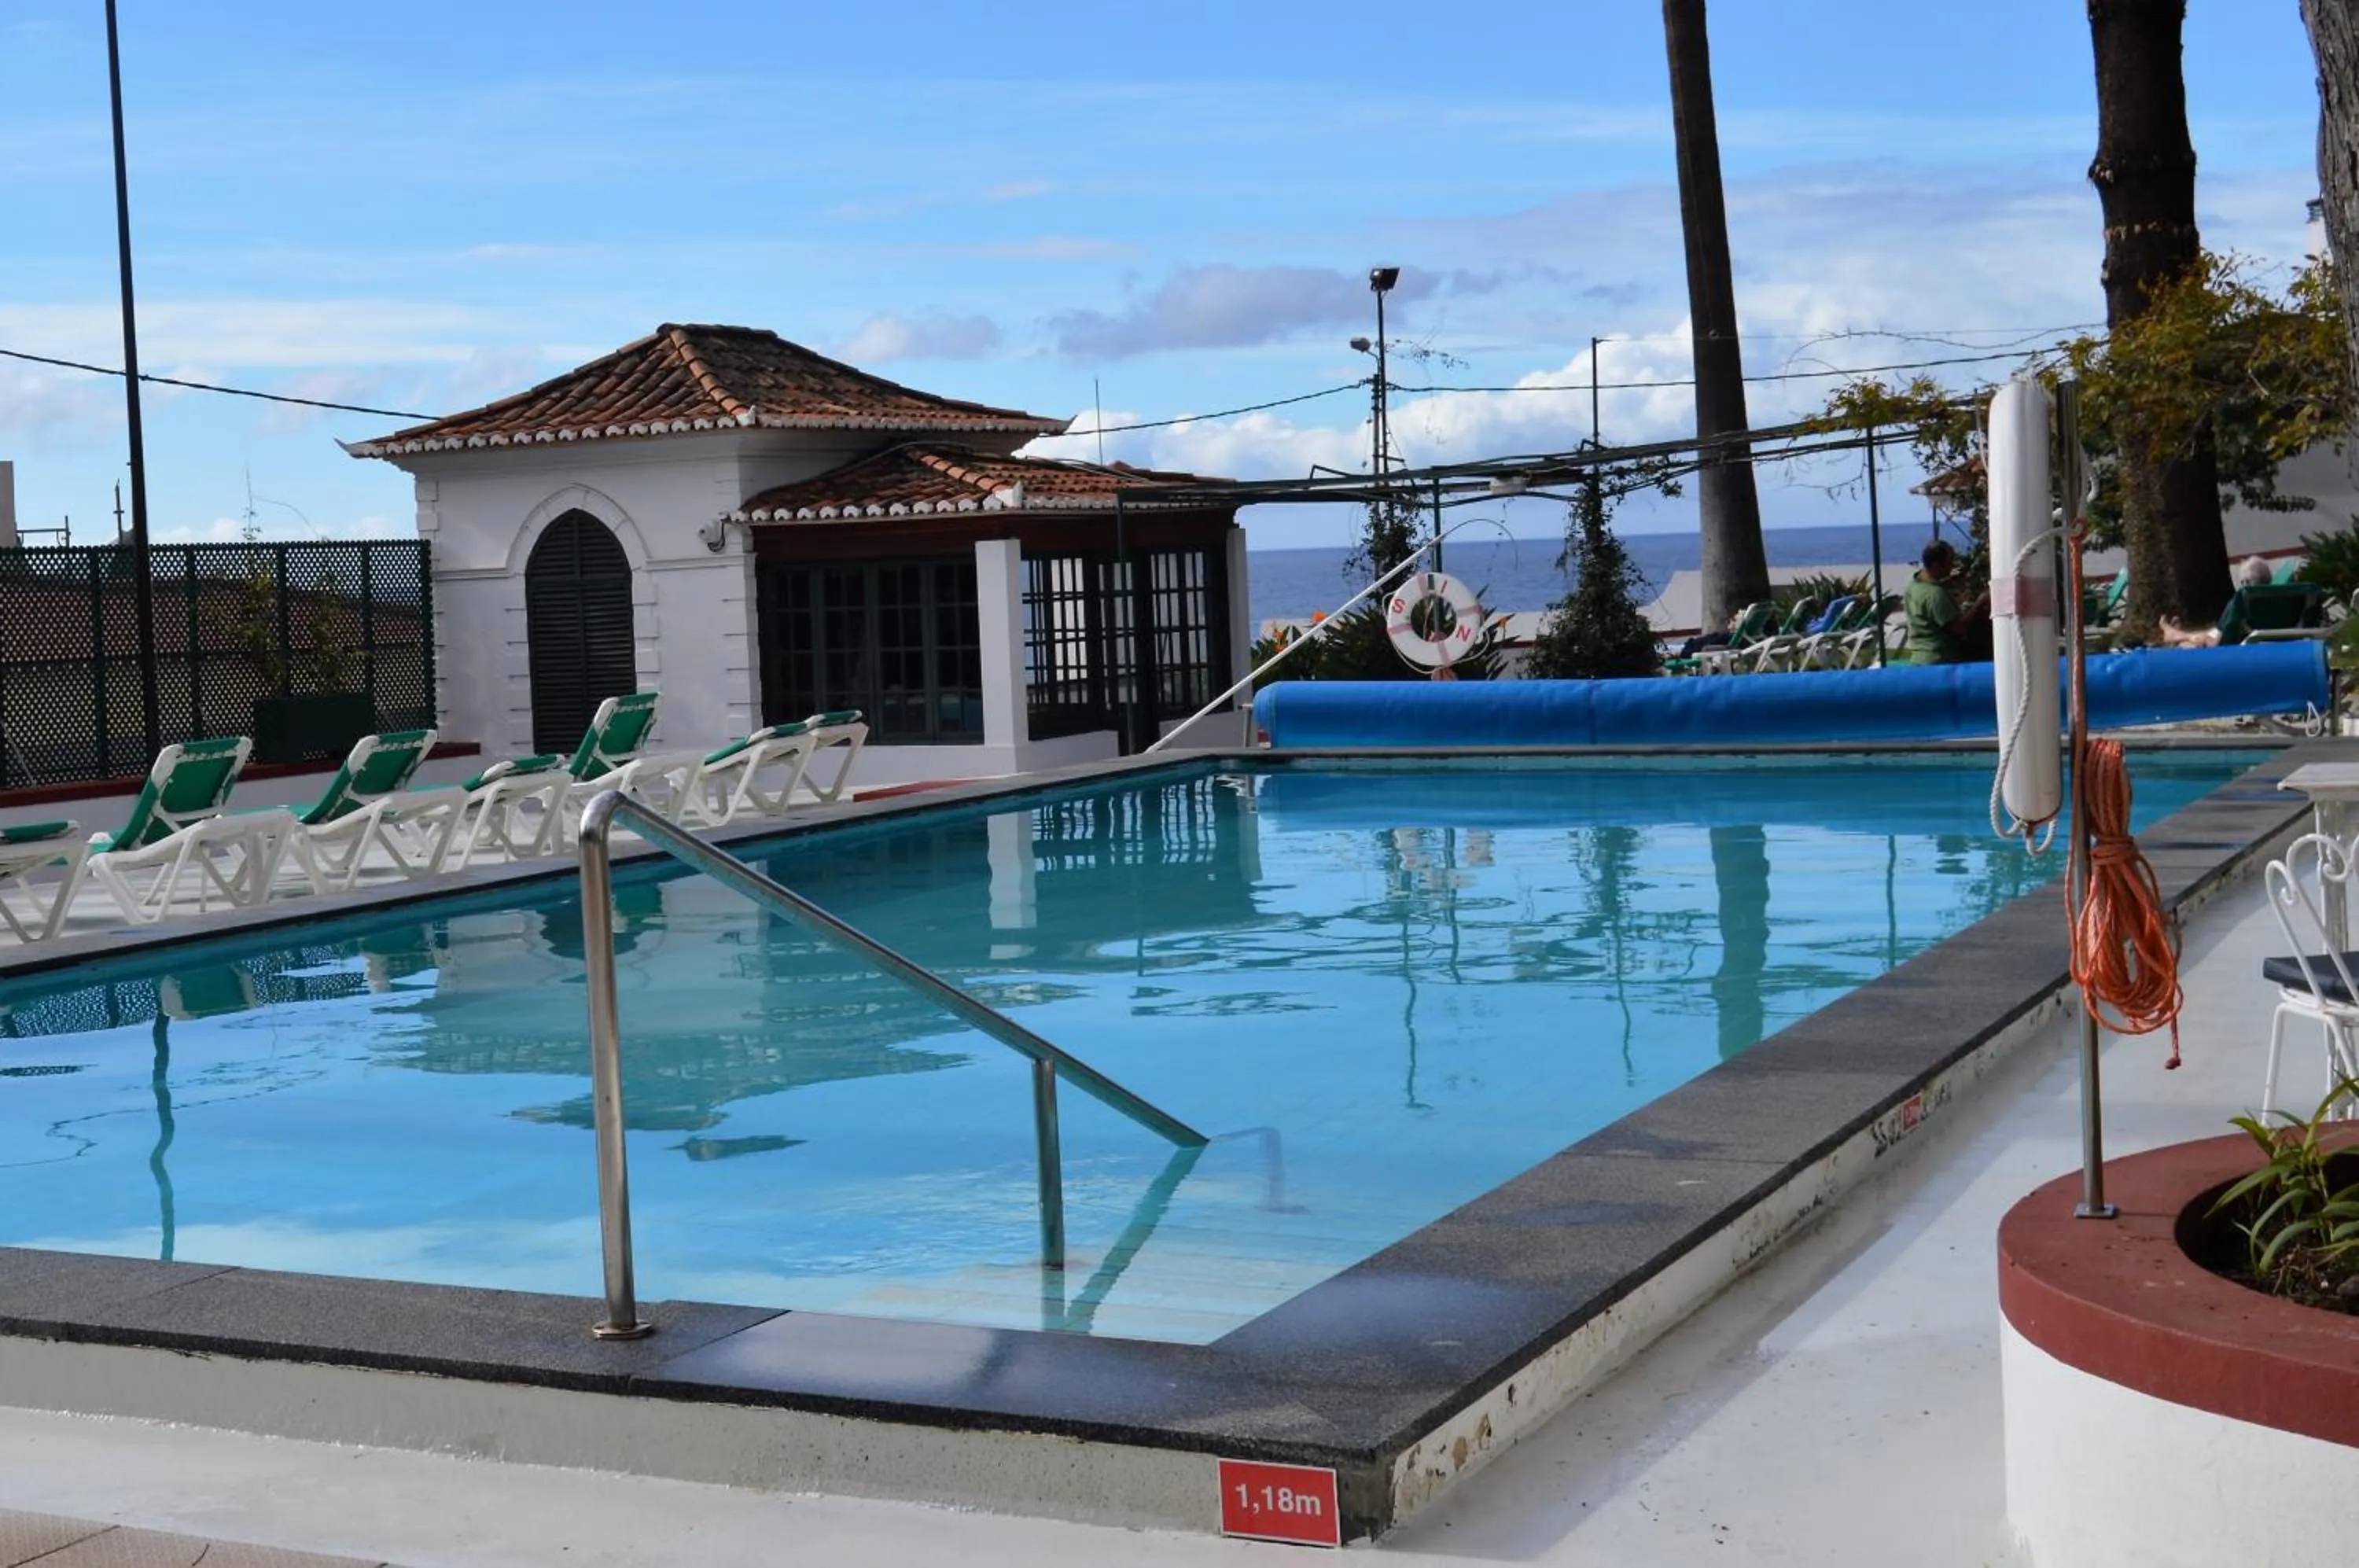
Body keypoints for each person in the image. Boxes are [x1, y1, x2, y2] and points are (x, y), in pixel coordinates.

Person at [2156, 557, 2275, 648]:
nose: (2242, 586)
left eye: (2244, 582)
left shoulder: (2241, 602)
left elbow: (2219, 638)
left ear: (2248, 583)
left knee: (2198, 641)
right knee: (2196, 640)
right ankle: (2176, 637)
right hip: (2261, 639)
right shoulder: (2274, 598)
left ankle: (2174, 635)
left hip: (2228, 644)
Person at [1903, 540, 1987, 664]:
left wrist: (1947, 581)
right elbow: (1959, 628)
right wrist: (1979, 603)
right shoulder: (1935, 595)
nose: (1952, 566)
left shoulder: (1913, 584)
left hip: (1920, 657)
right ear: (1936, 565)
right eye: (1949, 563)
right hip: (1940, 659)